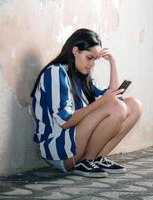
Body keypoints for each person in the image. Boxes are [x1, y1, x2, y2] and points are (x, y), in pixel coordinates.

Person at [30, 28, 142, 178]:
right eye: (89, 58)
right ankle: (85, 161)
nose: (92, 65)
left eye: (95, 60)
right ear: (75, 51)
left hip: (75, 141)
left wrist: (112, 63)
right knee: (116, 107)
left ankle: (95, 158)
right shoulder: (55, 72)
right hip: (59, 148)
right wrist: (102, 102)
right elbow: (65, 121)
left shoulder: (81, 76)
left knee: (134, 105)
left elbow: (115, 98)